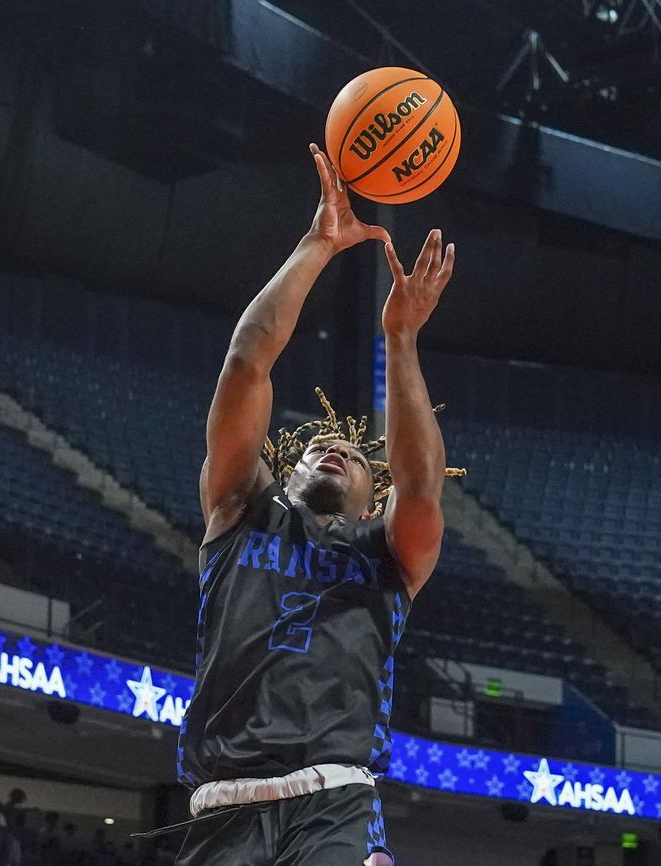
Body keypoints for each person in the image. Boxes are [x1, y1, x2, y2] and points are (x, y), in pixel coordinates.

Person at [173, 143, 458, 866]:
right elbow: (246, 362)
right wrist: (317, 244)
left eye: (358, 457)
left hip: (333, 804)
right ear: (285, 470)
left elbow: (422, 485)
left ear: (372, 500)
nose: (334, 450)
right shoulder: (240, 508)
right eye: (314, 449)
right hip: (221, 808)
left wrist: (401, 338)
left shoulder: (387, 557)